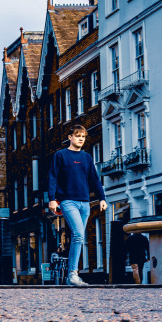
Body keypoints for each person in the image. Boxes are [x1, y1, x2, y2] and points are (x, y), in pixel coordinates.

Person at [47, 123, 107, 287]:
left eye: (83, 137)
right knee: (79, 234)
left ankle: (71, 275)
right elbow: (52, 177)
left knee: (77, 236)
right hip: (67, 201)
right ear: (70, 138)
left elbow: (94, 179)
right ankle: (73, 274)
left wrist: (102, 197)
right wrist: (52, 199)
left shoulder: (87, 157)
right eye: (78, 136)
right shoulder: (60, 155)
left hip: (85, 202)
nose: (81, 139)